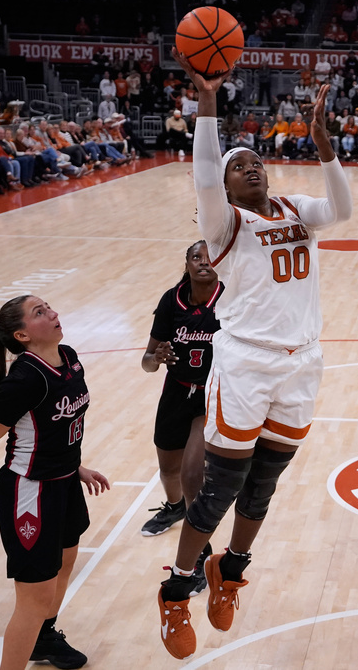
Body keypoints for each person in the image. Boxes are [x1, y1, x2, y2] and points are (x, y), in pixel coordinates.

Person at [157, 50, 352, 660]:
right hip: (245, 362)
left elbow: (343, 209)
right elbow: (205, 175)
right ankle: (175, 591)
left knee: (263, 487)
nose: (251, 170)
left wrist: (324, 146)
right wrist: (209, 102)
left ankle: (231, 574)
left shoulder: (296, 209)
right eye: (239, 166)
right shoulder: (224, 226)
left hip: (303, 362)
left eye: (257, 162)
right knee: (221, 488)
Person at [0, 296, 110, 670]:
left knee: (65, 564)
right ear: (22, 335)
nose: (53, 313)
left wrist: (78, 468)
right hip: (30, 491)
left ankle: (45, 638)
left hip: (65, 482)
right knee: (33, 598)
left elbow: (55, 429)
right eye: (40, 313)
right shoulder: (25, 379)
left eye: (48, 306)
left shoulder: (69, 356)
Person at [139, 242, 223, 581]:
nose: (203, 263)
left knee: (192, 477)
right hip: (175, 392)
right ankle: (174, 508)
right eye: (196, 258)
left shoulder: (231, 298)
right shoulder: (170, 300)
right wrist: (156, 358)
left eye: (209, 257)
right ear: (186, 263)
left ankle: (201, 556)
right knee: (168, 471)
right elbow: (146, 363)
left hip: (212, 396)